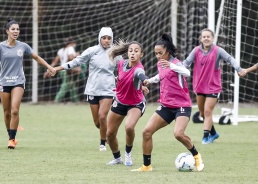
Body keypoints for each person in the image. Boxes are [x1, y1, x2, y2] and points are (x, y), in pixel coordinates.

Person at [131, 34, 204, 172]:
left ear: (168, 52)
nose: (158, 56)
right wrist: (150, 80)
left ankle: (196, 156)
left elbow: (187, 72)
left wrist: (171, 65)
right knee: (146, 132)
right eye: (156, 53)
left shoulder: (176, 63)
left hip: (182, 105)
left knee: (178, 134)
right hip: (166, 105)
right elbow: (161, 76)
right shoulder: (161, 63)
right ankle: (147, 166)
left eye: (160, 53)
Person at [0, 18, 56, 149]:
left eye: (17, 29)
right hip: (4, 82)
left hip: (18, 81)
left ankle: (12, 140)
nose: (16, 31)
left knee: (15, 110)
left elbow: (36, 57)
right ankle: (10, 134)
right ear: (7, 31)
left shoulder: (23, 46)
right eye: (13, 29)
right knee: (6, 112)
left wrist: (49, 67)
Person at [49, 27, 116, 151]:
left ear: (112, 39)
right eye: (104, 38)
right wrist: (58, 68)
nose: (106, 41)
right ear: (99, 38)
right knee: (97, 122)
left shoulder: (115, 53)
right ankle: (107, 133)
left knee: (102, 116)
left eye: (109, 38)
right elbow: (76, 61)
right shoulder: (92, 50)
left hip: (108, 89)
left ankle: (102, 143)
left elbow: (125, 69)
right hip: (92, 89)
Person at [183, 28, 246, 144]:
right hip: (200, 87)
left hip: (213, 87)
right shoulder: (196, 50)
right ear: (201, 39)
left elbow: (230, 59)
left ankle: (205, 137)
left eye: (208, 36)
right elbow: (186, 63)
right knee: (202, 114)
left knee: (207, 111)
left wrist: (239, 69)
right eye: (204, 37)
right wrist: (175, 70)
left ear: (212, 38)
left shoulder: (218, 50)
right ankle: (214, 134)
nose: (206, 38)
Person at [105, 40, 148, 166]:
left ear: (141, 54)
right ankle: (117, 158)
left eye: (136, 51)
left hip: (136, 103)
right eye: (130, 51)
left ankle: (128, 153)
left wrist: (145, 81)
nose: (133, 53)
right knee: (110, 134)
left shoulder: (139, 68)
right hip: (120, 101)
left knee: (129, 127)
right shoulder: (121, 64)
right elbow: (123, 79)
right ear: (127, 53)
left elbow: (140, 75)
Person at [44, 37, 81, 103]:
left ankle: (76, 101)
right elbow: (70, 57)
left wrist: (49, 69)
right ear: (71, 43)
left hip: (61, 71)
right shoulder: (70, 48)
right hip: (67, 70)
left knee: (71, 85)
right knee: (65, 86)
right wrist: (76, 58)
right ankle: (56, 100)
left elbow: (55, 61)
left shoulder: (61, 50)